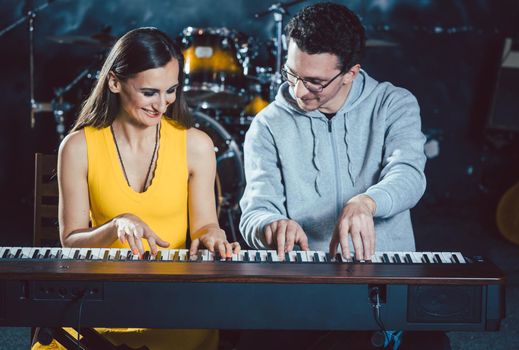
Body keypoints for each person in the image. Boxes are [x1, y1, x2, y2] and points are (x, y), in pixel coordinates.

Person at [239, 2, 449, 349]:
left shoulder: (394, 104)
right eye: (291, 74)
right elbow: (255, 210)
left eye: (315, 82)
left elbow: (409, 174)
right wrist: (269, 225)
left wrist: (366, 202)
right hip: (304, 282)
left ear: (351, 72)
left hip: (386, 276)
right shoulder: (267, 125)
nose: (298, 91)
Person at [33, 27, 240, 350]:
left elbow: (205, 225)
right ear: (114, 82)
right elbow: (70, 241)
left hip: (171, 305)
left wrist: (212, 234)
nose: (162, 104)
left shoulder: (196, 145)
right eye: (149, 92)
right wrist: (116, 224)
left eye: (170, 90)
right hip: (96, 302)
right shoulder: (77, 146)